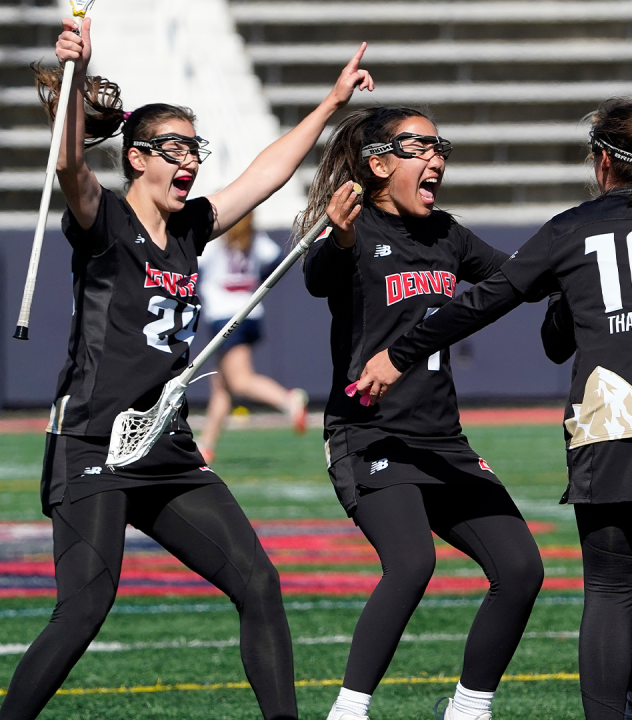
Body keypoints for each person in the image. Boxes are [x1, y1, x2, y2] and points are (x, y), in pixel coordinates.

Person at [1, 17, 373, 720]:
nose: (189, 161)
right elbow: (71, 168)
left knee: (259, 582)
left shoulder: (192, 228)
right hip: (93, 441)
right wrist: (77, 73)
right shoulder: (103, 220)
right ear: (136, 157)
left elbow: (264, 176)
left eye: (194, 149)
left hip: (163, 445)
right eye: (173, 147)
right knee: (84, 608)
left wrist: (330, 104)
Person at [350, 98, 632, 720]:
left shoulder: (571, 227)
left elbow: (481, 303)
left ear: (601, 163)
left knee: (614, 586)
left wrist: (398, 355)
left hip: (611, 423)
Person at [301, 107, 545, 720]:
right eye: (419, 147)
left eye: (441, 146)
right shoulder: (354, 228)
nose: (435, 159)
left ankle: (468, 707)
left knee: (520, 569)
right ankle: (349, 710)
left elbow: (520, 279)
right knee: (412, 563)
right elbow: (318, 278)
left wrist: (582, 249)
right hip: (369, 432)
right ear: (379, 163)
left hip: (442, 439)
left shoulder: (448, 234)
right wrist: (339, 235)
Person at [196, 211, 308, 463]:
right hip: (249, 312)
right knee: (221, 385)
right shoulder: (256, 239)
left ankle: (288, 401)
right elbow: (277, 259)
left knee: (239, 381)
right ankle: (206, 445)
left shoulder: (215, 242)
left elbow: (194, 263)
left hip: (226, 316)